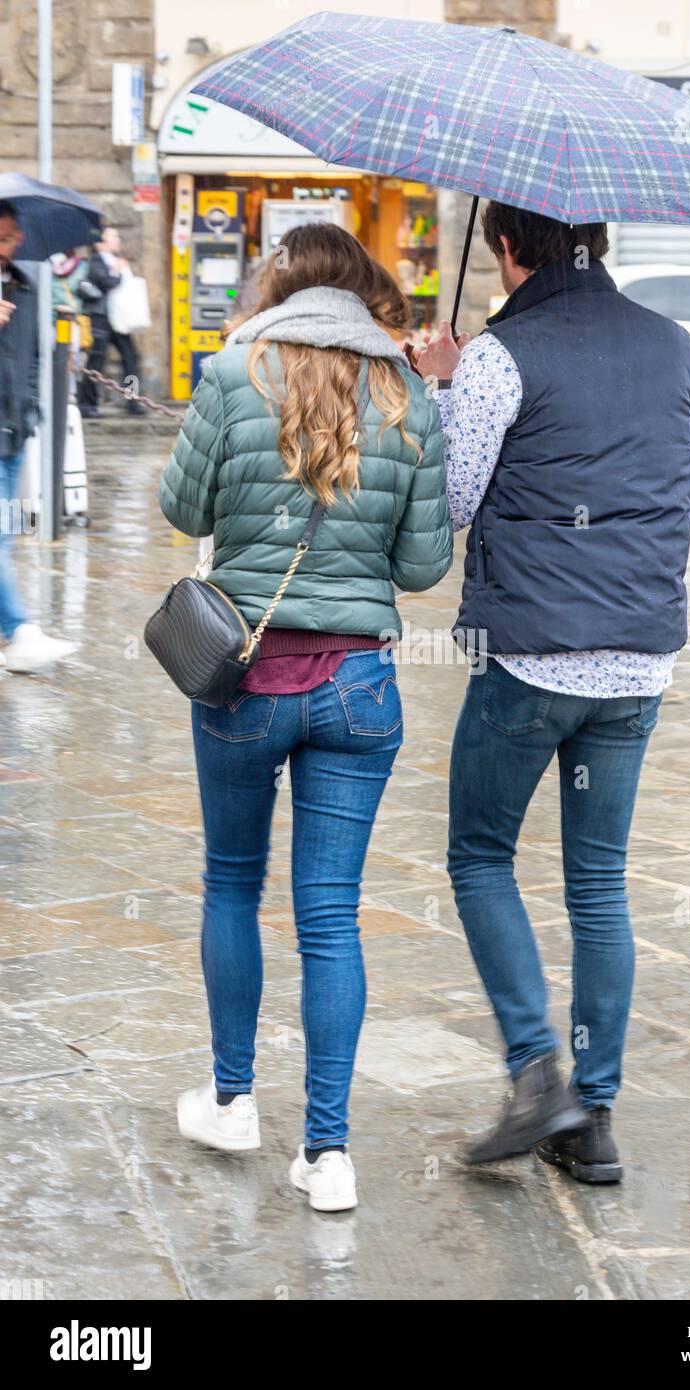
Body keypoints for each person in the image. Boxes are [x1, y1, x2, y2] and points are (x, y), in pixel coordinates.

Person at [158, 223, 452, 1213]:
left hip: (245, 678)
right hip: (359, 689)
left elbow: (182, 508)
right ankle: (328, 1154)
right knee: (330, 915)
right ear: (366, 290)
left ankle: (234, 1098)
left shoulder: (234, 368)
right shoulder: (407, 392)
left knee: (231, 885)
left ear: (277, 285)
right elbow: (420, 567)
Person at [413, 201, 690, 1179]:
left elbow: (451, 498)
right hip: (637, 662)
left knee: (479, 853)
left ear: (504, 249)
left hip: (530, 657)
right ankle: (593, 1117)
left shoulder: (502, 354)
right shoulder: (675, 348)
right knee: (597, 883)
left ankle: (536, 1073)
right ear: (600, 241)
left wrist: (443, 388)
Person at [0, 200, 77, 673]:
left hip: (11, 429)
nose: (11, 246)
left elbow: (31, 357)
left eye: (11, 237)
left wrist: (28, 408)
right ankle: (20, 629)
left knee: (7, 531)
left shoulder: (23, 287)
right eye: (2, 238)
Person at [78, 227, 144, 417]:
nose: (117, 240)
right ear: (100, 242)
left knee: (131, 357)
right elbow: (107, 283)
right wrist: (117, 271)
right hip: (100, 317)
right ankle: (87, 405)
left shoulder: (114, 261)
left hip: (118, 318)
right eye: (112, 236)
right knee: (96, 361)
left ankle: (133, 401)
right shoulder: (96, 261)